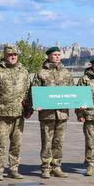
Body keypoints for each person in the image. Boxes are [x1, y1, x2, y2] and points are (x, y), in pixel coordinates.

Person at [0, 44, 32, 181]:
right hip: (2, 114)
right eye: (10, 55)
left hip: (19, 114)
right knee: (1, 144)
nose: (13, 57)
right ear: (5, 55)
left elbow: (28, 91)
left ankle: (13, 169)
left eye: (15, 55)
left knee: (16, 144)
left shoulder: (23, 71)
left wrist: (29, 109)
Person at [32, 47, 73, 178]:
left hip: (62, 113)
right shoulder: (41, 73)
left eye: (58, 54)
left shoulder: (66, 73)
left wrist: (78, 103)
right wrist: (36, 104)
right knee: (46, 142)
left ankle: (56, 166)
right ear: (49, 56)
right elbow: (34, 91)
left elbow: (72, 91)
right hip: (47, 114)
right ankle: (46, 167)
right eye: (54, 54)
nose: (57, 57)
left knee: (59, 142)